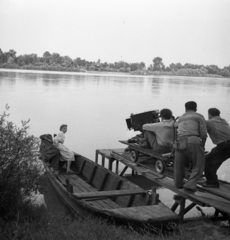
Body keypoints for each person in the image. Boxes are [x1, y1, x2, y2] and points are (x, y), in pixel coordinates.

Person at [174, 101, 207, 193]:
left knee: (178, 165)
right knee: (199, 164)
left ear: (185, 109)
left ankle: (178, 184)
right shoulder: (199, 116)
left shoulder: (180, 118)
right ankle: (190, 185)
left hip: (180, 141)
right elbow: (203, 134)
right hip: (193, 140)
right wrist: (202, 145)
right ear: (196, 109)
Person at [203, 108, 230, 188]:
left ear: (210, 114)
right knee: (214, 162)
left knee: (207, 161)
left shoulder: (209, 122)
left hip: (224, 145)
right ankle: (213, 179)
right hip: (227, 145)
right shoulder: (223, 120)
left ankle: (212, 182)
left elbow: (200, 130)